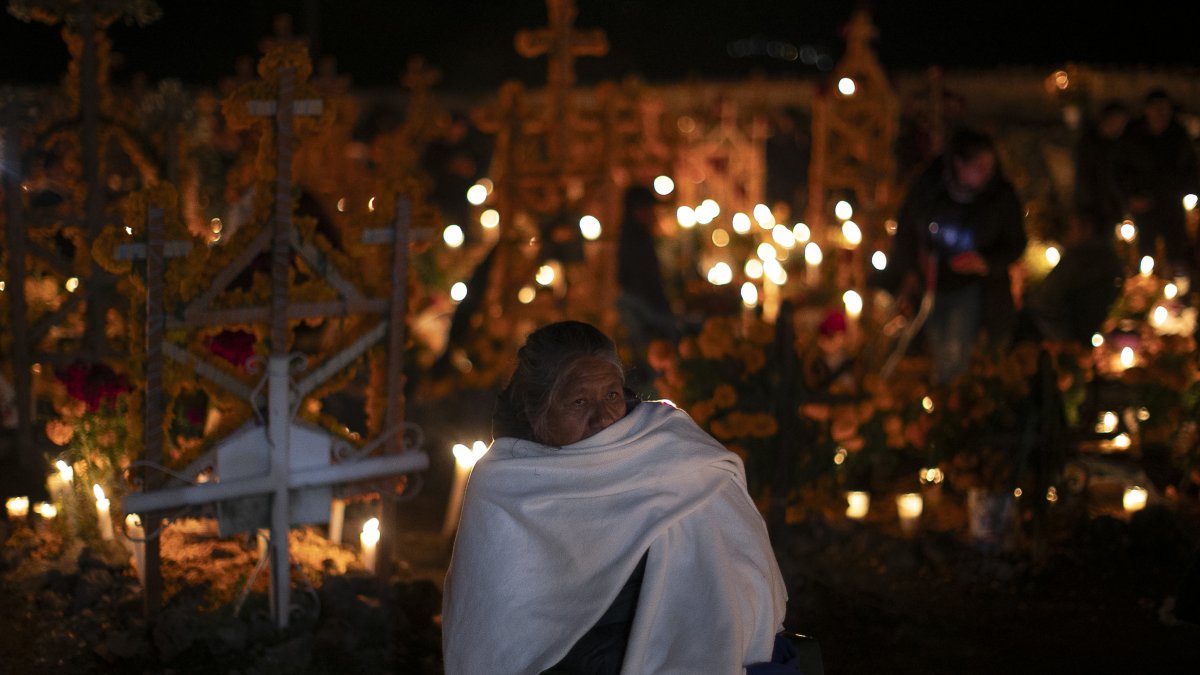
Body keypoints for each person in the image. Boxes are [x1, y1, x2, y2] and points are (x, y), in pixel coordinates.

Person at [442, 321, 790, 674]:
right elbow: (494, 627)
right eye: (579, 402)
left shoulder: (669, 447)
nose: (603, 417)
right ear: (536, 411)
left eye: (611, 395)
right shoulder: (506, 481)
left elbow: (737, 572)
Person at [875, 128, 1027, 385]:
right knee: (937, 346)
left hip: (974, 287)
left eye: (989, 166)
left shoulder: (999, 195)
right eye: (978, 167)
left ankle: (955, 397)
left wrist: (985, 262)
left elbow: (1016, 243)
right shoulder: (930, 187)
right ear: (958, 164)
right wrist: (912, 269)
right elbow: (907, 229)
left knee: (958, 350)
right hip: (932, 283)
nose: (986, 173)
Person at [1116, 88, 1200, 275]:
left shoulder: (1178, 136)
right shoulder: (1133, 137)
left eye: (1165, 109)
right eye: (1156, 109)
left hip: (1172, 207)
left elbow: (1190, 169)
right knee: (1146, 256)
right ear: (1147, 111)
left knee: (1176, 256)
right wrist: (1131, 197)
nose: (1161, 114)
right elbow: (1120, 171)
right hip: (1144, 208)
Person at [1022, 210, 1124, 345]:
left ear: (1088, 229)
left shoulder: (1078, 259)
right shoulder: (1110, 260)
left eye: (1073, 227)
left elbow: (1048, 299)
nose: (1069, 232)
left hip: (1060, 335)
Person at [1074, 101, 1129, 235]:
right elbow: (1085, 178)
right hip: (1094, 211)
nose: (1121, 127)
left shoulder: (1117, 145)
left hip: (1110, 210)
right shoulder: (1090, 145)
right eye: (1119, 122)